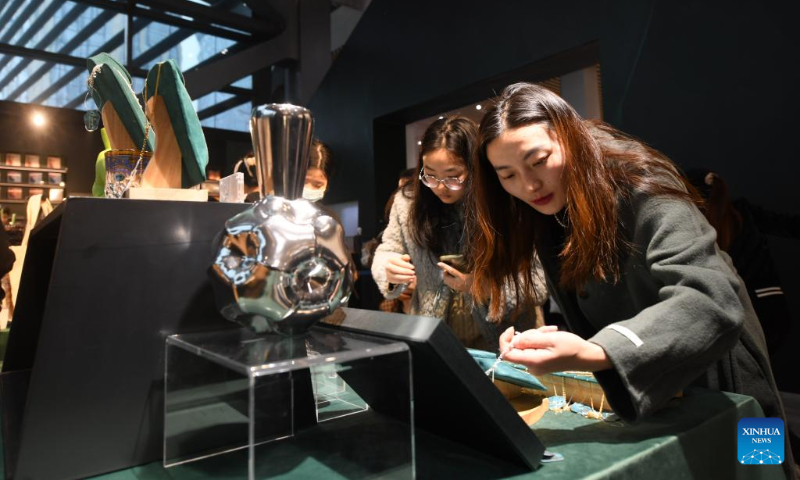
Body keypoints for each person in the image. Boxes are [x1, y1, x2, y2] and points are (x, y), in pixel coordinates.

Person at [470, 83, 793, 463]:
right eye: (507, 174)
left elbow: (710, 298)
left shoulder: (641, 181)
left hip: (726, 372)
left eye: (538, 160)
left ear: (569, 139)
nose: (528, 185)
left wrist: (597, 350)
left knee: (763, 465)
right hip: (650, 384)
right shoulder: (545, 208)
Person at [372, 116, 539, 349]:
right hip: (434, 338)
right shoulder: (408, 203)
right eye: (430, 175)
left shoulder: (505, 201)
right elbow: (388, 250)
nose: (440, 186)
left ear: (475, 168)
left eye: (453, 176)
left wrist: (483, 288)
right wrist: (389, 269)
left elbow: (538, 280)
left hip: (505, 339)